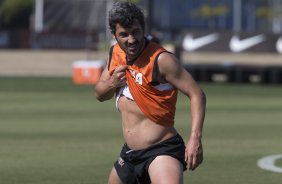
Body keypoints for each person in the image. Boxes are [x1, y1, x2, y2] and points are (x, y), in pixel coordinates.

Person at [95, 2, 206, 184]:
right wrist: (111, 83)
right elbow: (99, 94)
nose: (131, 39)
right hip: (130, 155)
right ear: (114, 35)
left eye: (135, 32)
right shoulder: (115, 54)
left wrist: (195, 138)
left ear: (143, 29)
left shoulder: (161, 60)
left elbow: (197, 94)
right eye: (124, 34)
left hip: (161, 151)